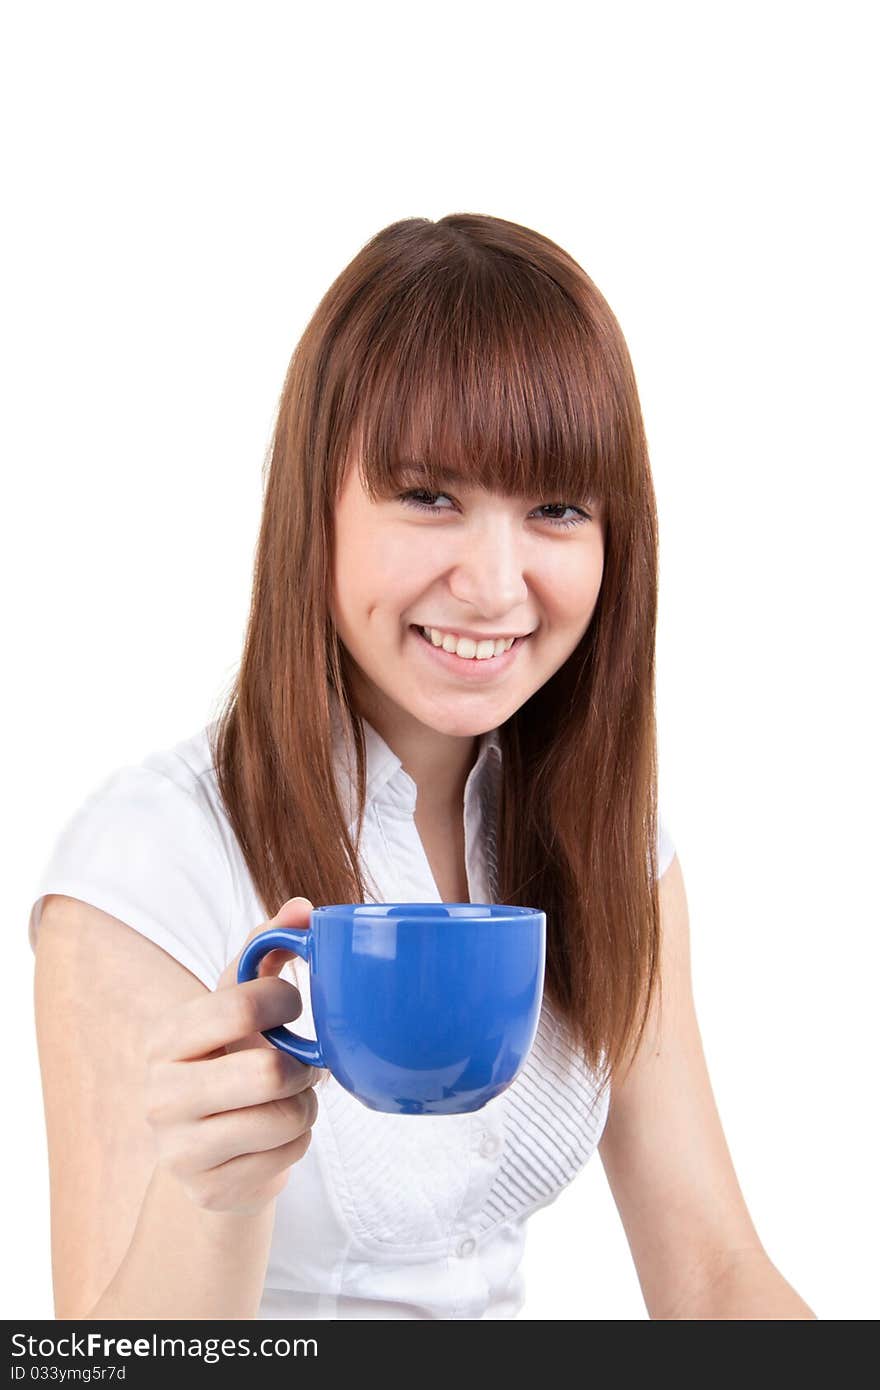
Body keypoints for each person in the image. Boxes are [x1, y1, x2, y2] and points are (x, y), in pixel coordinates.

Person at [30, 213, 816, 1321]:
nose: (496, 586)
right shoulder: (144, 864)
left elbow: (714, 1276)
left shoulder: (615, 844)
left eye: (554, 508)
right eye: (429, 494)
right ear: (317, 510)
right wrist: (213, 1197)